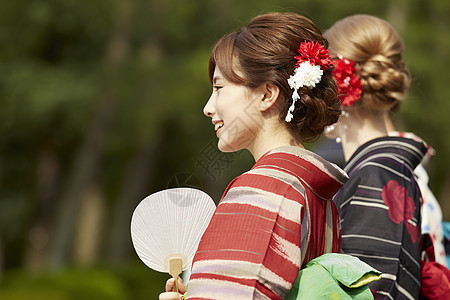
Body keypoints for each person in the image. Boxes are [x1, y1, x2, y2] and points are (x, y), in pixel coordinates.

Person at [159, 12, 380, 299]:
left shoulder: (265, 188)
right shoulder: (318, 195)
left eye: (218, 88)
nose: (208, 107)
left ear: (266, 95)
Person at [323, 14, 433, 299]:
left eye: (320, 80)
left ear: (339, 86)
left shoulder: (377, 173)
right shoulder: (384, 167)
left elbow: (371, 292)